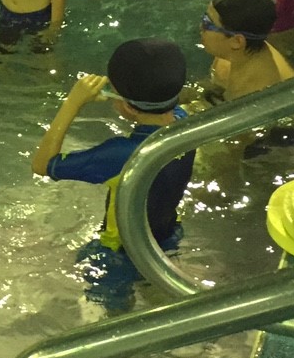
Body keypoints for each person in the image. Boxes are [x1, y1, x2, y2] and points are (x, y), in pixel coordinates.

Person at [31, 38, 195, 256]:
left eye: (111, 89)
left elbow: (42, 165)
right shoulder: (186, 124)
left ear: (129, 106)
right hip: (168, 236)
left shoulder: (123, 155)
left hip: (120, 254)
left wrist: (73, 102)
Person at [201, 0, 294, 103]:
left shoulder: (253, 95)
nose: (201, 27)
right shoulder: (243, 50)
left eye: (207, 23)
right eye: (204, 17)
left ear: (237, 41)